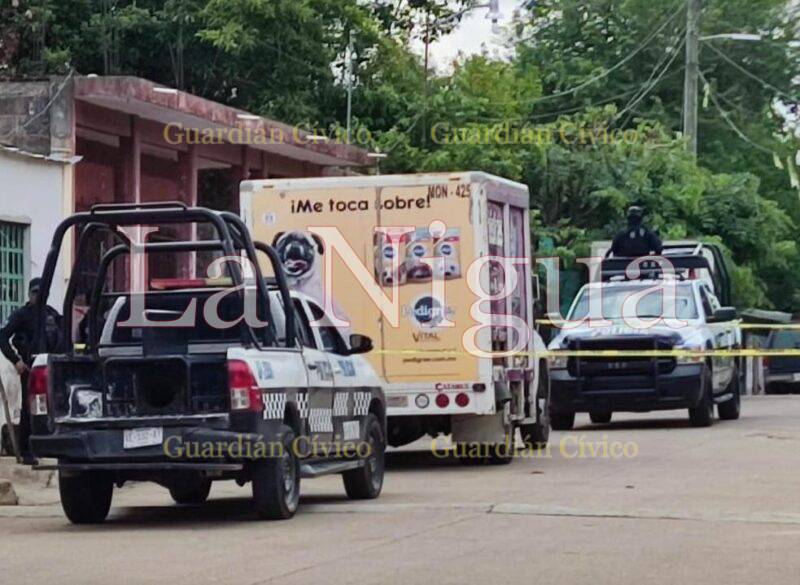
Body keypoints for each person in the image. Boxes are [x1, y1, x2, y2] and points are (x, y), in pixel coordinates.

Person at [0, 278, 62, 463]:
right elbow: (2, 337)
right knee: (29, 410)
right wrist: (16, 361)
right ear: (29, 294)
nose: (38, 296)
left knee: (54, 408)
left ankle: (50, 445)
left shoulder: (51, 314)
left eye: (40, 292)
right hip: (31, 367)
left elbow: (62, 336)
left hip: (51, 366)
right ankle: (27, 452)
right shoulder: (22, 315)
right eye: (34, 293)